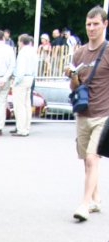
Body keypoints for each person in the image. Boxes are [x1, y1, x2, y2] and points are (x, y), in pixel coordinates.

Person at [68, 6, 109, 221]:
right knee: (86, 161)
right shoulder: (79, 53)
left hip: (103, 114)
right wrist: (73, 76)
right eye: (88, 24)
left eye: (95, 24)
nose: (91, 28)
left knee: (93, 158)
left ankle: (84, 205)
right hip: (83, 113)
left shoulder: (108, 51)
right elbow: (74, 87)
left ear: (105, 24)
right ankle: (95, 198)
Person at [12, 34, 37, 136]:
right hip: (30, 78)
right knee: (27, 104)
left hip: (22, 79)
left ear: (21, 42)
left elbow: (21, 70)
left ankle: (21, 129)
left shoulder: (22, 53)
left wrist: (16, 81)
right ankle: (26, 127)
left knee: (19, 105)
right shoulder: (33, 52)